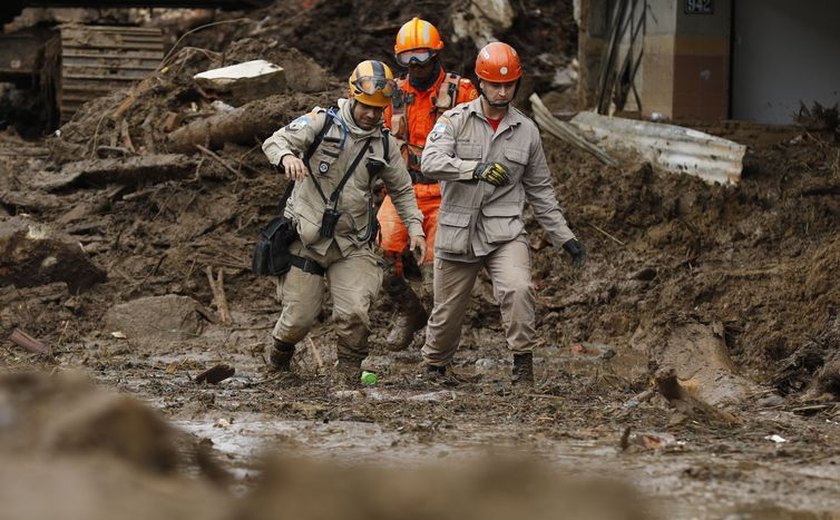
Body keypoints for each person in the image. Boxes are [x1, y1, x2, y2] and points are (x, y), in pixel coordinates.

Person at [419, 42, 587, 385]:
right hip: (458, 229)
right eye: (495, 84)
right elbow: (429, 162)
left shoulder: (527, 131)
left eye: (508, 84)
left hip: (504, 231)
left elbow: (541, 191)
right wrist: (473, 169)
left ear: (517, 84)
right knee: (447, 309)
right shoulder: (454, 121)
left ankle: (522, 366)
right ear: (480, 82)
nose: (502, 91)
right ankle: (435, 367)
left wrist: (564, 238)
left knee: (519, 288)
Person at [261, 59, 426, 384]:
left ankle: (348, 376)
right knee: (297, 320)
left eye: (379, 108)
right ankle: (277, 363)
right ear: (352, 96)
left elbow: (403, 190)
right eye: (365, 106)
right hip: (306, 240)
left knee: (354, 313)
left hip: (352, 242)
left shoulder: (384, 144)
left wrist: (416, 229)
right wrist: (288, 157)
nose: (371, 114)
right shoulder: (321, 123)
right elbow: (275, 141)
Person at [377, 17, 479, 350]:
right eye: (407, 58)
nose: (415, 65)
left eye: (421, 56)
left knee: (440, 274)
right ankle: (408, 311)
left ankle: (439, 344)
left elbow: (481, 140)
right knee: (379, 256)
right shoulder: (392, 95)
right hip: (403, 190)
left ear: (436, 55)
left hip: (447, 192)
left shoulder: (462, 91)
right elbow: (375, 141)